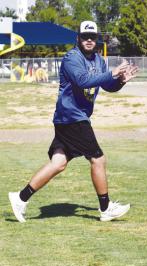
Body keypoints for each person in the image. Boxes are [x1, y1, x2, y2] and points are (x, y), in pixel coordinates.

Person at [8, 21, 139, 223]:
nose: (88, 40)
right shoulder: (71, 58)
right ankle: (106, 209)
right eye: (84, 37)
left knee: (58, 163)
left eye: (92, 37)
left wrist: (120, 80)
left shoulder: (98, 60)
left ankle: (20, 198)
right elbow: (83, 81)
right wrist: (112, 72)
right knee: (98, 159)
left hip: (71, 118)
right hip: (72, 117)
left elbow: (107, 85)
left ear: (96, 39)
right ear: (77, 38)